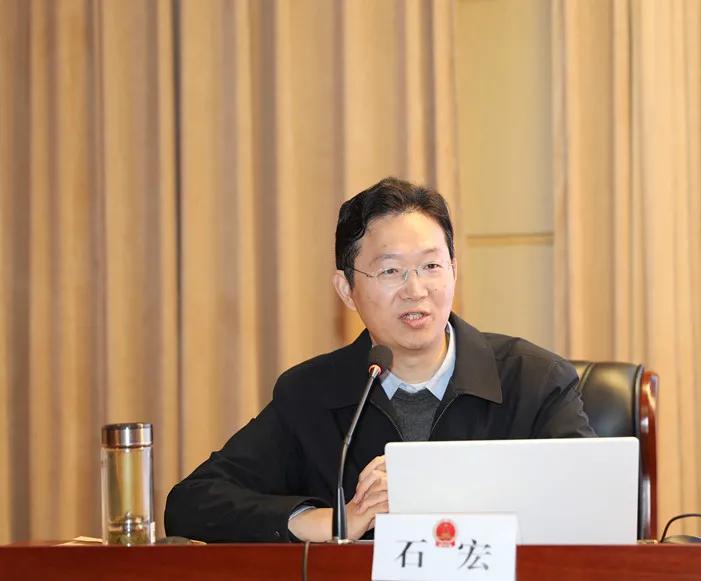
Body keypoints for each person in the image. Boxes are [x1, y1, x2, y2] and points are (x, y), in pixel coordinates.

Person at [164, 177, 595, 543]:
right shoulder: (311, 394)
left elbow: (595, 508)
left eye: (431, 266)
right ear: (346, 290)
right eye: (390, 271)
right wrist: (334, 521)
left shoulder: (534, 380)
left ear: (454, 270)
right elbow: (192, 503)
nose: (415, 290)